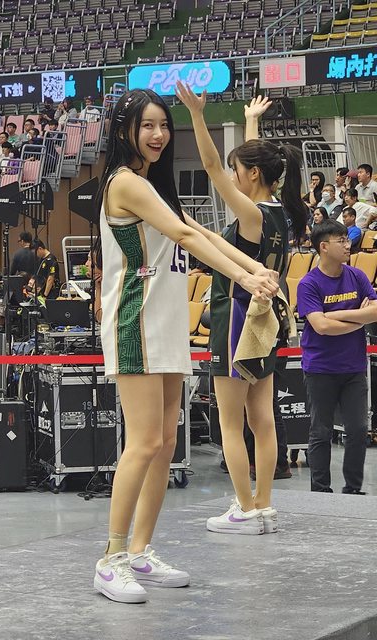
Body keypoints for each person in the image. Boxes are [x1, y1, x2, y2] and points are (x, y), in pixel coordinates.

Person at [93, 88, 279, 605]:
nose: (157, 135)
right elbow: (185, 236)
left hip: (167, 323)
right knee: (144, 442)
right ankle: (110, 559)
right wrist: (243, 279)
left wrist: (254, 267)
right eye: (147, 125)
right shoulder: (125, 183)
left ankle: (140, 550)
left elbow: (204, 232)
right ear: (124, 130)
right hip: (134, 323)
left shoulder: (153, 185)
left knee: (166, 444)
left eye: (163, 125)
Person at [177, 85, 307, 536]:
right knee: (262, 419)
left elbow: (213, 166)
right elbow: (249, 165)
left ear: (252, 174)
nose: (231, 177)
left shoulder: (252, 215)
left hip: (236, 316)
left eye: (240, 171)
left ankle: (245, 509)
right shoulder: (281, 213)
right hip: (266, 322)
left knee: (231, 424)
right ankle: (264, 507)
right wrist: (251, 122)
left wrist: (197, 115)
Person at [297, 219, 377, 494]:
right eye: (341, 240)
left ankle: (353, 488)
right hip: (320, 367)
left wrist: (337, 314)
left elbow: (375, 311)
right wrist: (359, 318)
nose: (347, 245)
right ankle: (321, 490)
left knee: (358, 429)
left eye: (347, 239)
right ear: (323, 247)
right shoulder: (309, 284)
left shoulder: (357, 276)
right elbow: (321, 326)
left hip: (353, 367)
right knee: (321, 431)